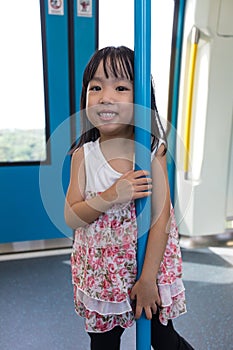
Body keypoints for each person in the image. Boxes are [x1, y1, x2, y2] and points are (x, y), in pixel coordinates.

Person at [64, 46, 194, 350]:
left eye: (121, 87)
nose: (105, 97)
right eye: (96, 87)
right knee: (103, 344)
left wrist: (148, 279)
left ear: (140, 100)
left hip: (148, 266)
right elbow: (72, 216)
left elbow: (162, 219)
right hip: (103, 275)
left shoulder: (151, 150)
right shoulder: (83, 155)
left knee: (163, 340)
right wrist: (111, 196)